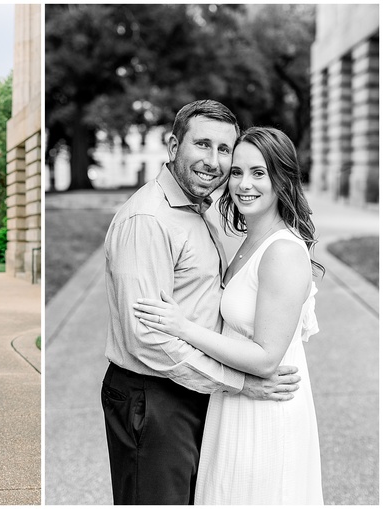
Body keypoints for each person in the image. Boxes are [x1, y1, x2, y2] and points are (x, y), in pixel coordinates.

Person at [101, 100, 301, 505]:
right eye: (202, 145)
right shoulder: (149, 220)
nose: (214, 161)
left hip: (190, 389)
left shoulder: (194, 210)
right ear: (174, 146)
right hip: (154, 398)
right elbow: (148, 339)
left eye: (224, 149)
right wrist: (241, 383)